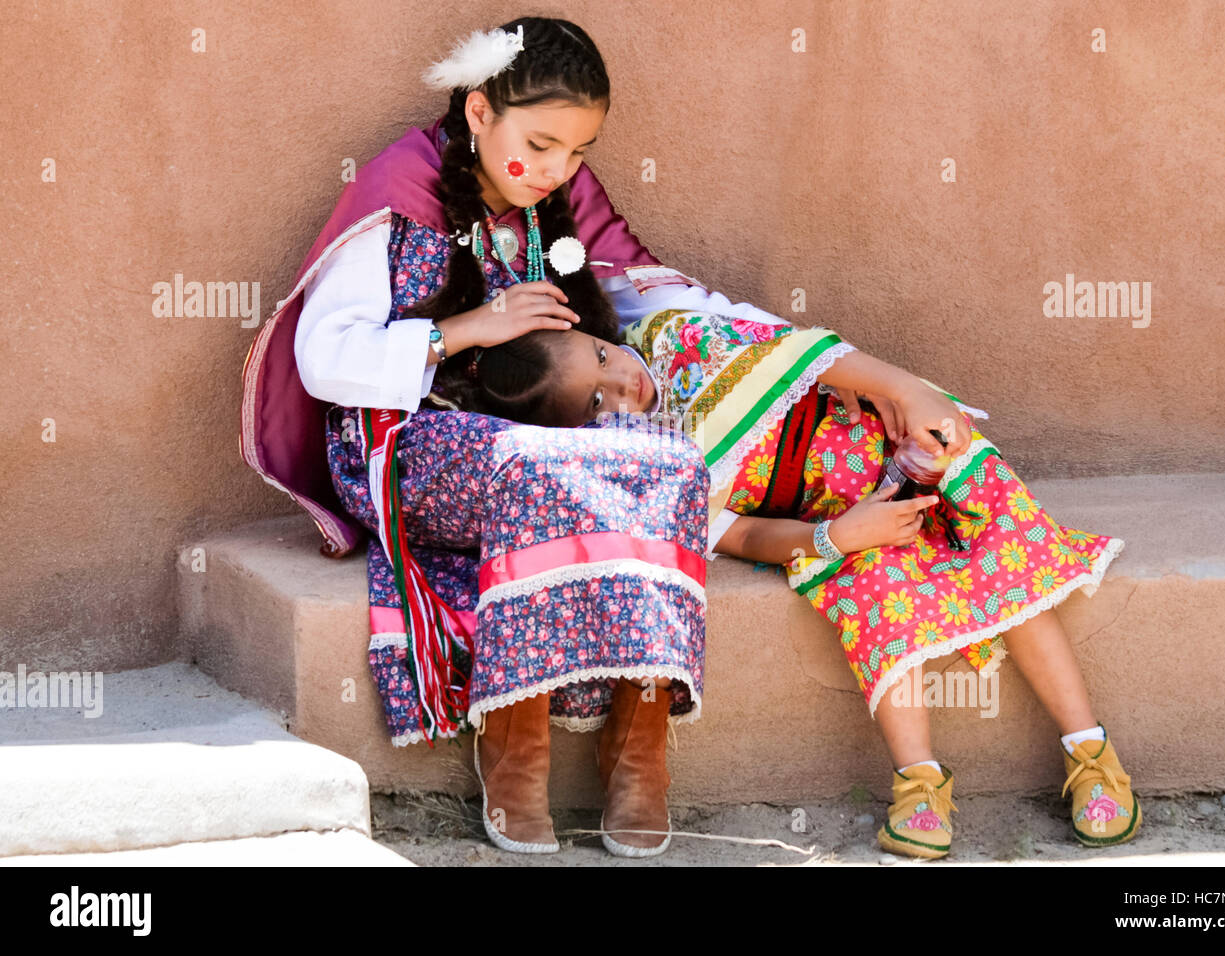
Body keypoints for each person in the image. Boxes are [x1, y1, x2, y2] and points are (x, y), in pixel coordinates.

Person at [238, 17, 796, 858]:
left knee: (668, 463)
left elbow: (645, 290)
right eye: (538, 145)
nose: (555, 172)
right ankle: (513, 740)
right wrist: (471, 328)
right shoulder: (404, 188)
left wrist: (786, 353)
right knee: (535, 468)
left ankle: (639, 744)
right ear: (476, 113)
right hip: (409, 439)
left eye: (576, 152)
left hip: (538, 438)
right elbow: (325, 359)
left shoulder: (558, 205)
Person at [435, 309, 1141, 859]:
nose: (625, 385)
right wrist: (839, 538)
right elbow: (740, 535)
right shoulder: (653, 463)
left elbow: (813, 354)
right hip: (848, 516)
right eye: (597, 404)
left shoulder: (677, 337)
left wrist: (906, 390)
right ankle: (920, 783)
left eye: (601, 359)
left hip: (911, 440)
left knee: (1004, 565)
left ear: (594, 332)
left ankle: (1091, 754)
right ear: (582, 435)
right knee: (875, 599)